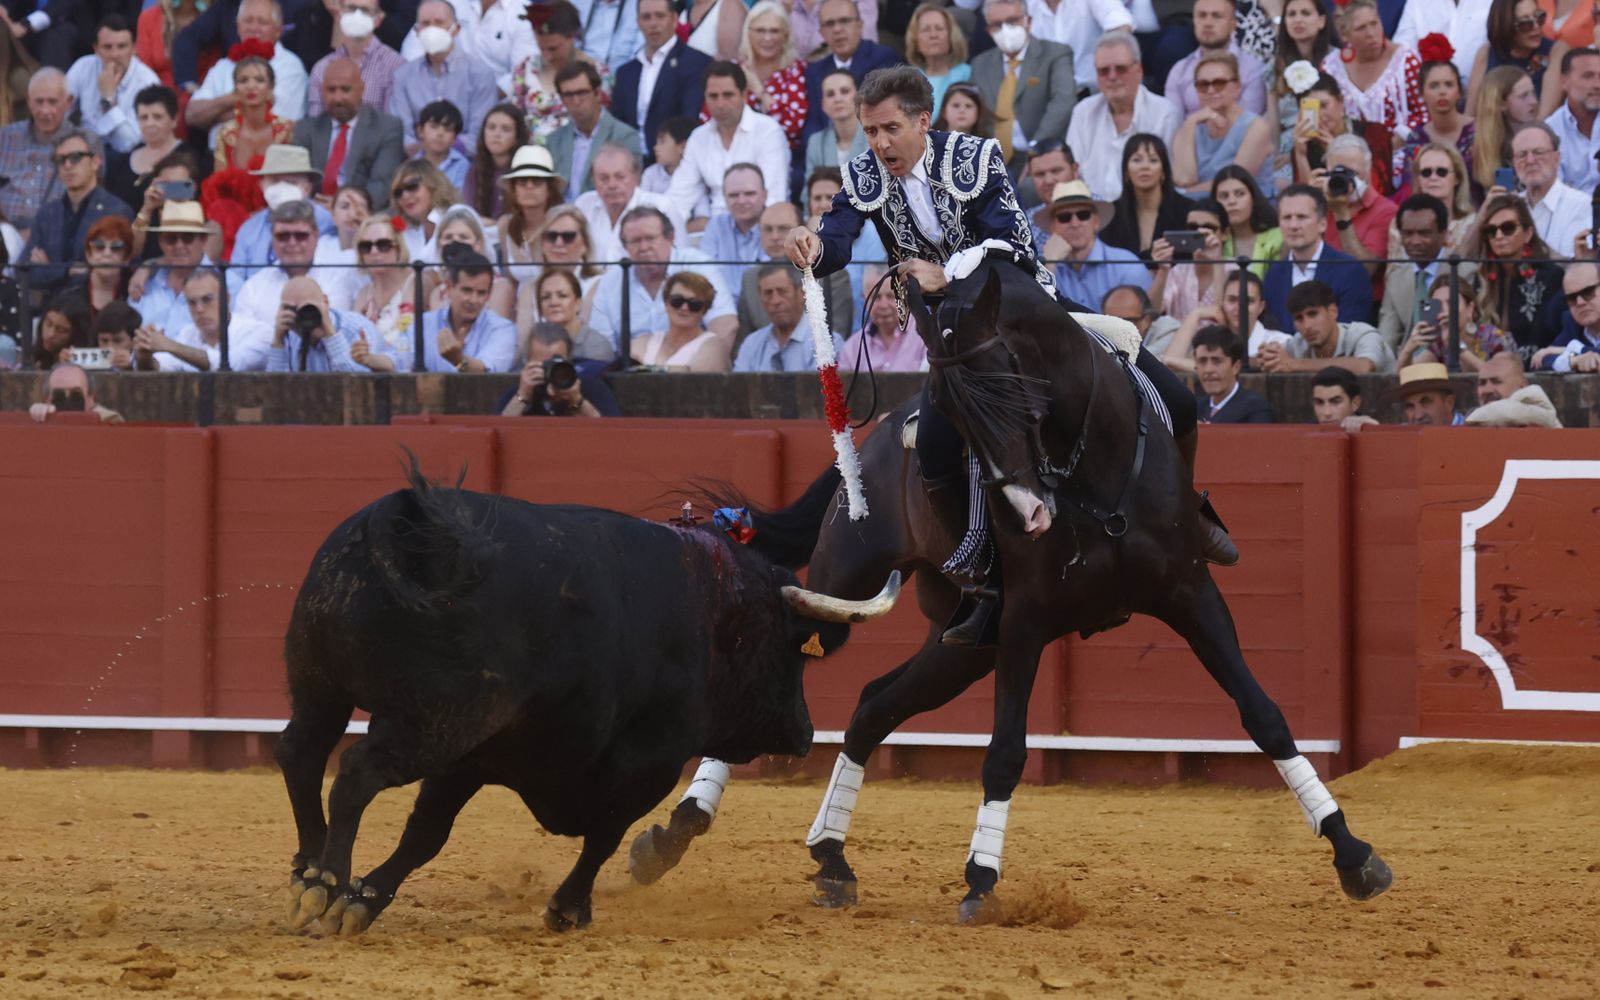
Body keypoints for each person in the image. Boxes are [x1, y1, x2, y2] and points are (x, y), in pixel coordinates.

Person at [785, 66, 1235, 643]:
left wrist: (943, 273)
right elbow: (840, 234)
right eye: (870, 131)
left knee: (1175, 399)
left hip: (1026, 319)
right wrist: (815, 243)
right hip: (954, 346)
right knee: (937, 449)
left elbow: (1011, 242)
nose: (879, 144)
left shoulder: (975, 157)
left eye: (890, 128)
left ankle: (1186, 515)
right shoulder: (867, 173)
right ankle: (981, 576)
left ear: (924, 121)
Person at [591, 205, 738, 350]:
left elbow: (725, 323)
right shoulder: (611, 282)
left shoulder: (697, 264)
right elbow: (601, 345)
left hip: (692, 367)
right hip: (630, 368)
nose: (643, 248)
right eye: (635, 241)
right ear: (625, 246)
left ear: (671, 238)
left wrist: (708, 362)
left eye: (650, 238)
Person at [667, 62, 789, 228]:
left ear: (744, 95)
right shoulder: (698, 138)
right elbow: (679, 197)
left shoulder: (767, 131)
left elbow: (773, 198)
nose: (720, 104)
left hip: (761, 230)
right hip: (713, 231)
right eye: (713, 96)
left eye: (728, 95)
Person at [1067, 33, 1182, 203]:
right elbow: (1072, 174)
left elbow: (1170, 178)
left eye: (1121, 69)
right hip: (1093, 215)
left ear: (1139, 71)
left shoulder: (1165, 113)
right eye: (1104, 71)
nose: (1112, 77)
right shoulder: (1083, 112)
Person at [23, 130, 135, 297]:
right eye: (60, 160)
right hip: (53, 313)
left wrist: (50, 268)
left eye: (75, 157)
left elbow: (117, 272)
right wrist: (67, 271)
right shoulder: (46, 213)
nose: (67, 165)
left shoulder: (117, 211)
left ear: (96, 162)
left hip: (97, 312)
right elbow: (25, 272)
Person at [968, 0, 1075, 167]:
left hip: (1044, 157)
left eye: (1012, 21)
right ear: (989, 30)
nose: (1005, 29)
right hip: (992, 163)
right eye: (997, 24)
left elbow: (1064, 102)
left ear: (1028, 21)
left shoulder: (1055, 54)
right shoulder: (980, 65)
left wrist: (1036, 150)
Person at [185, 0, 309, 143]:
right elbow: (192, 115)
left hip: (270, 158)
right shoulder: (223, 66)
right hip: (217, 158)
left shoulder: (290, 67)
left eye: (262, 22)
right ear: (238, 27)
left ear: (278, 30)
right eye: (248, 21)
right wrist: (232, 99)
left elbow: (271, 121)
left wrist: (214, 115)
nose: (254, 28)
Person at [292, 57, 406, 210]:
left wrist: (343, 207)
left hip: (363, 216)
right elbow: (296, 180)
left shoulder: (387, 127)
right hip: (314, 213)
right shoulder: (306, 129)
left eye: (345, 89)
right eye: (331, 90)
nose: (338, 98)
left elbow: (382, 185)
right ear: (321, 91)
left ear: (362, 89)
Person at [389, 0, 500, 154]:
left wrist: (441, 149)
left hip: (465, 166)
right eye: (425, 24)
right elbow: (402, 133)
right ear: (417, 31)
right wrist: (426, 154)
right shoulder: (403, 76)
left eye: (439, 23)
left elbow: (480, 133)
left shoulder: (480, 74)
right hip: (417, 165)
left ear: (456, 29)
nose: (432, 29)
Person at [610, 0, 713, 165]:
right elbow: (617, 124)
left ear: (674, 19)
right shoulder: (625, 73)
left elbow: (690, 119)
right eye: (646, 17)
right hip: (630, 165)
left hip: (677, 163)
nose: (653, 24)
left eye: (660, 16)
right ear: (638, 23)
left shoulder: (697, 63)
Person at [225, 144, 337, 294]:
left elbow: (335, 274)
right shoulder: (249, 229)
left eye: (290, 182)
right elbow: (235, 279)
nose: (282, 188)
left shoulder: (326, 222)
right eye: (275, 181)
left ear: (307, 188)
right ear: (262, 185)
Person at [1262, 184, 1373, 332]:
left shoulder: (1350, 272)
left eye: (1301, 217)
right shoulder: (1274, 273)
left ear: (1322, 224)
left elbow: (1351, 334)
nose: (1293, 225)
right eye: (1287, 218)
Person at [1379, 194, 1478, 353]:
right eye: (1408, 233)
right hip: (1407, 366)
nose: (1415, 241)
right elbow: (1386, 338)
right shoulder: (1396, 279)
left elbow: (1474, 330)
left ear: (1444, 234)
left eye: (1424, 233)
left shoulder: (1464, 271)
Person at [737, 200, 852, 337]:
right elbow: (744, 342)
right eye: (768, 229)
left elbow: (837, 336)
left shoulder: (831, 274)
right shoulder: (750, 277)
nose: (775, 237)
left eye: (783, 229)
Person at [1469, 192, 1566, 352]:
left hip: (1535, 370)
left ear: (1528, 234)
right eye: (1491, 231)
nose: (1499, 236)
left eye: (1508, 228)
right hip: (1487, 369)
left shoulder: (1550, 276)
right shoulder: (1481, 277)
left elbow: (1545, 335)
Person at [1171, 52, 1275, 198]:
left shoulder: (1256, 127)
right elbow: (1184, 179)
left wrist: (1182, 194)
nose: (1211, 90)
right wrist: (1190, 122)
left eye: (1219, 83)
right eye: (1203, 85)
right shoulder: (1190, 127)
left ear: (1237, 88)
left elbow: (1234, 184)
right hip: (1198, 209)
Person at [507, 1, 611, 142]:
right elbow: (514, 119)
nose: (547, 56)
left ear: (572, 37)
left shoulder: (597, 73)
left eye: (553, 48)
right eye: (541, 48)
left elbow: (601, 128)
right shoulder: (525, 69)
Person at [1320, 0, 1424, 136]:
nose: (1371, 33)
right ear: (1344, 35)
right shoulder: (1331, 68)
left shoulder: (1406, 61)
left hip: (1401, 150)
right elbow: (1322, 113)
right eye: (1361, 28)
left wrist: (1393, 143)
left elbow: (1423, 113)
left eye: (1374, 23)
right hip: (1346, 150)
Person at [801, 0, 902, 140]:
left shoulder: (884, 59)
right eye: (830, 24)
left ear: (860, 25)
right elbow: (813, 122)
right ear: (821, 33)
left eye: (844, 21)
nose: (837, 29)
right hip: (826, 155)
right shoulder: (815, 71)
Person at [1043, 180, 1148, 310]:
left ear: (1096, 221)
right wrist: (1049, 264)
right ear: (1053, 226)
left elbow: (1142, 322)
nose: (1075, 224)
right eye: (1064, 217)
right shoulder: (1045, 266)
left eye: (1083, 215)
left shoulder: (1127, 265)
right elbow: (1037, 314)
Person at [409, 248, 518, 373]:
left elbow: (487, 372)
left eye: (481, 293)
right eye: (467, 290)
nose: (473, 300)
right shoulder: (424, 323)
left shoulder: (502, 329)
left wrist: (458, 361)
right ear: (449, 287)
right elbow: (398, 359)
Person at [65, 15, 161, 155]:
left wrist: (108, 98)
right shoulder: (83, 66)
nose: (115, 55)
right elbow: (60, 112)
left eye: (122, 46)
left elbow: (127, 143)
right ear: (96, 49)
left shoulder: (148, 82)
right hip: (85, 151)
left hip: (126, 157)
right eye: (107, 47)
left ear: (134, 48)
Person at [575, 142, 685, 262]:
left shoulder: (661, 206)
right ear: (593, 181)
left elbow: (681, 259)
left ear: (636, 177)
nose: (612, 185)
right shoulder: (583, 205)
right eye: (604, 178)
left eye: (620, 177)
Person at [1271, 0, 1340, 191]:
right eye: (1291, 14)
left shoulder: (1337, 62)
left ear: (1321, 21)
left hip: (1330, 138)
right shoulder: (1275, 66)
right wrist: (1282, 153)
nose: (1297, 20)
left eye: (1305, 13)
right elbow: (1272, 120)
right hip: (1289, 144)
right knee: (1276, 184)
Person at [1258, 278, 1395, 374]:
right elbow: (1277, 361)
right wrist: (1266, 357)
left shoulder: (1362, 333)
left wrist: (1294, 364)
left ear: (1333, 311)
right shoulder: (1298, 343)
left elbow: (1364, 366)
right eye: (1299, 318)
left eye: (1313, 314)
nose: (1307, 326)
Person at [1395, 42, 1477, 197]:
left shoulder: (1478, 132)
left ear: (1459, 91)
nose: (1442, 92)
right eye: (1434, 86)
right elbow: (1410, 187)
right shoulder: (1417, 137)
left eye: (1448, 85)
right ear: (1422, 93)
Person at [545, 62, 639, 196]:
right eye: (569, 95)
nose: (576, 101)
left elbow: (630, 190)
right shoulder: (553, 141)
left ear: (597, 93)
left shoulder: (625, 137)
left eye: (582, 93)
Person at [0, 68, 74, 235]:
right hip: (4, 231)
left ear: (69, 102)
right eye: (39, 102)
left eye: (52, 102)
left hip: (55, 235)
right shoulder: (5, 137)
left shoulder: (83, 143)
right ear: (28, 101)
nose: (45, 111)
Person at [1100, 133, 1196, 260]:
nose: (1145, 167)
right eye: (1137, 160)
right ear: (1126, 172)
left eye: (1153, 160)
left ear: (1163, 172)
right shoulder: (1111, 214)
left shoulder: (1188, 210)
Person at [732, 263, 844, 372]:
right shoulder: (752, 344)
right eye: (768, 293)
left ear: (802, 293)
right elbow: (740, 389)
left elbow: (819, 388)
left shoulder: (826, 342)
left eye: (782, 292)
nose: (775, 301)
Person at [1166, 0, 1268, 118]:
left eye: (1217, 16)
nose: (1208, 23)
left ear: (1233, 25)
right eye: (1202, 15)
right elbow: (1174, 125)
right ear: (1193, 21)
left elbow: (1249, 125)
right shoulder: (1179, 70)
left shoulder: (1254, 70)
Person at [305, 0, 405, 118]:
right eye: (351, 9)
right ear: (338, 15)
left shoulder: (395, 66)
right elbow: (315, 127)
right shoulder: (321, 68)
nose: (357, 15)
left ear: (378, 19)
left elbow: (393, 128)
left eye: (365, 10)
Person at [1396, 272, 1513, 370]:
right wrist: (1408, 351)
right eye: (1439, 305)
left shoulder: (1495, 338)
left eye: (1451, 303)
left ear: (1470, 309)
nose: (1445, 311)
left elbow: (1499, 377)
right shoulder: (1439, 345)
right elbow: (1406, 378)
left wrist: (1457, 347)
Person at [501, 321, 620, 417]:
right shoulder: (518, 391)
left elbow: (608, 433)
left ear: (569, 359)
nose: (549, 370)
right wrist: (522, 397)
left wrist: (577, 401)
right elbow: (499, 431)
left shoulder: (592, 388)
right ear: (527, 363)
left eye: (556, 363)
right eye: (542, 364)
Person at [1505, 122, 1589, 256]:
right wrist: (1486, 212)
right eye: (1522, 155)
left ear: (1557, 158)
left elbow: (1571, 266)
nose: (1530, 160)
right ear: (1514, 163)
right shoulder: (1509, 205)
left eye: (1538, 152)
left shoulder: (1581, 205)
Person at [349, 214, 418, 369]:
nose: (374, 252)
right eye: (366, 247)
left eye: (383, 245)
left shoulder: (417, 283)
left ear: (399, 248)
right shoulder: (363, 294)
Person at [265, 274, 373, 372]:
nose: (304, 315)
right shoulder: (290, 334)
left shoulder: (357, 330)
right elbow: (276, 388)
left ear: (325, 301)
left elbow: (357, 384)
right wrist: (278, 341)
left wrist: (330, 334)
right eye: (294, 309)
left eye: (309, 308)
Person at [134, 201, 212, 336]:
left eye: (187, 238)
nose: (179, 245)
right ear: (161, 242)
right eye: (171, 239)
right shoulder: (144, 283)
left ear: (203, 240)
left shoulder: (227, 282)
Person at [1466, 0, 1558, 115]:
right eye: (1525, 24)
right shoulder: (1486, 53)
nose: (1536, 26)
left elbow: (1546, 117)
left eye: (1539, 17)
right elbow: (1470, 114)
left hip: (1536, 129)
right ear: (1506, 25)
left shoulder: (1556, 51)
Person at [738, 0, 808, 148]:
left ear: (785, 35)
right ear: (748, 32)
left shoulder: (797, 71)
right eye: (760, 30)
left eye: (774, 31)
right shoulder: (734, 69)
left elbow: (793, 127)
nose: (767, 38)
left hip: (783, 155)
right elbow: (709, 117)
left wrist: (759, 91)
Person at [103, 85, 185, 213]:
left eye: (157, 117)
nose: (149, 123)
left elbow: (185, 196)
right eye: (143, 117)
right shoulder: (123, 161)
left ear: (174, 120)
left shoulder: (188, 156)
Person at [427, 205, 517, 318]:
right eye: (448, 237)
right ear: (439, 243)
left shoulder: (499, 288)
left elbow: (497, 332)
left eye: (463, 237)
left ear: (478, 244)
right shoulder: (437, 294)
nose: (455, 243)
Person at [630, 270, 730, 370]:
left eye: (694, 304)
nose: (684, 308)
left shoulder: (714, 346)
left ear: (704, 309)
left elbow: (697, 379)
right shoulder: (643, 342)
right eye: (677, 301)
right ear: (666, 303)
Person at [1390, 144, 1478, 258]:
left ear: (1457, 178)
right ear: (1418, 179)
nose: (1433, 177)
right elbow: (1393, 272)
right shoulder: (1399, 224)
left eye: (1441, 172)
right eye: (1426, 172)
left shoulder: (1472, 224)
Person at [135, 268, 231, 372]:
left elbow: (228, 364)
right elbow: (159, 366)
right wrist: (145, 356)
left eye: (207, 299)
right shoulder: (187, 334)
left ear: (226, 298)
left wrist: (168, 345)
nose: (199, 309)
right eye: (192, 303)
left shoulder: (248, 331)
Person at [212, 56, 296, 172]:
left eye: (260, 80)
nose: (251, 86)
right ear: (235, 89)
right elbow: (219, 184)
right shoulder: (225, 134)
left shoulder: (287, 130)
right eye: (243, 80)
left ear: (270, 89)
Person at [497, 145, 568, 282]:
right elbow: (510, 279)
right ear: (514, 189)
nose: (529, 186)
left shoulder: (561, 224)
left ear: (549, 189)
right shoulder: (505, 224)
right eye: (522, 182)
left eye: (537, 181)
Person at [516, 266, 616, 363]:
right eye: (546, 297)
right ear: (539, 307)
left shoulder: (596, 344)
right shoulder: (532, 342)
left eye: (562, 296)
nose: (554, 302)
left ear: (578, 303)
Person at [1149, 199, 1228, 320]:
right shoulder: (1178, 271)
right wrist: (1162, 271)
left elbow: (1225, 316)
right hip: (1179, 338)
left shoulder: (1237, 269)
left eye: (1209, 227)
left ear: (1224, 233)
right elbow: (1152, 312)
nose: (1200, 232)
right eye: (1192, 227)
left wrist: (1217, 262)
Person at [1469, 65, 1541, 194]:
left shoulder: (1545, 135)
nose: (1533, 101)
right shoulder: (1483, 148)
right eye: (1523, 96)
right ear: (1501, 104)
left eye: (1533, 93)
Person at [1540, 46, 1600, 194]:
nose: (1597, 85)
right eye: (1588, 76)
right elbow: (1553, 195)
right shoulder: (1549, 131)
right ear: (1564, 81)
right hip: (1572, 214)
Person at [700, 163, 768, 291]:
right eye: (733, 195)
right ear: (724, 198)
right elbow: (706, 275)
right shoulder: (716, 226)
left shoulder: (777, 226)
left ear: (764, 196)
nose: (741, 201)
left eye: (749, 194)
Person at [1192, 326, 1276, 424]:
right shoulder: (1194, 409)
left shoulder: (1257, 410)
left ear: (1236, 367)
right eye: (1202, 361)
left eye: (1217, 361)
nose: (1208, 369)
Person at [904, 3, 970, 121]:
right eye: (926, 30)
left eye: (939, 28)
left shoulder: (968, 74)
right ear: (915, 40)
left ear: (951, 36)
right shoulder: (908, 79)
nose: (933, 35)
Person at [1212, 165, 1281, 276]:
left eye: (1240, 194)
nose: (1232, 201)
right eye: (1224, 196)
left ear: (1253, 198)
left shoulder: (1278, 238)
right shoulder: (1214, 242)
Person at [63, 216, 135, 322]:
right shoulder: (69, 297)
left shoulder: (136, 297)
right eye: (99, 246)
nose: (107, 253)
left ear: (126, 258)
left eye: (116, 248)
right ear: (89, 255)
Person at [312, 184, 373, 310]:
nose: (352, 214)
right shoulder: (320, 244)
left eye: (360, 207)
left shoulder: (376, 249)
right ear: (333, 215)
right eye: (345, 206)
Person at [1531, 259, 1600, 370]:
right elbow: (1540, 360)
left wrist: (1574, 349)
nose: (1580, 302)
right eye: (1571, 298)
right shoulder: (1571, 324)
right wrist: (1573, 359)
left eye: (1588, 292)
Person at [464, 105, 530, 221]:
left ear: (516, 138)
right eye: (491, 127)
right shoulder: (475, 169)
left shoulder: (526, 170)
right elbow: (468, 213)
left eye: (505, 129)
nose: (497, 134)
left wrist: (495, 225)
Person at [840, 284, 926, 371]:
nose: (884, 305)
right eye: (876, 297)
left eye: (891, 296)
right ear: (864, 300)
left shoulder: (926, 338)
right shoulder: (852, 349)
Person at [1465, 351, 1563, 426]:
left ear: (1522, 386)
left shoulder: (1536, 404)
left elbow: (1507, 411)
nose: (1487, 390)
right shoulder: (1487, 421)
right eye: (1482, 383)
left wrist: (1469, 421)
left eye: (1497, 382)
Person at [389, 159, 458, 259]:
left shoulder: (458, 218)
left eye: (411, 186)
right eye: (398, 192)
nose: (405, 195)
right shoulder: (407, 235)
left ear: (433, 185)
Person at [806, 69, 869, 180]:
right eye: (830, 94)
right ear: (823, 104)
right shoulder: (816, 142)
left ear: (859, 98)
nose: (837, 99)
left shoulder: (875, 136)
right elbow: (809, 192)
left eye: (844, 91)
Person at [27, 363, 124, 425]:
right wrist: (38, 416)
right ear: (47, 399)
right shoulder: (44, 417)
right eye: (59, 395)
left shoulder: (108, 419)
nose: (67, 400)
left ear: (91, 398)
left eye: (76, 394)